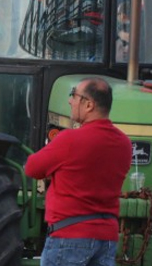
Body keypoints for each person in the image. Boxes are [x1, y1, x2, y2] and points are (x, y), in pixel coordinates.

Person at [25, 78, 131, 266]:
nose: (70, 101)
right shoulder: (124, 144)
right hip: (107, 238)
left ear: (88, 105)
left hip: (69, 236)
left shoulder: (69, 140)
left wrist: (55, 169)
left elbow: (32, 168)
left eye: (74, 95)